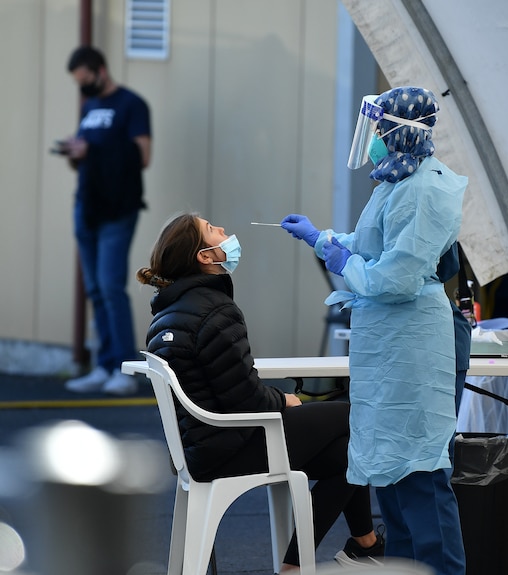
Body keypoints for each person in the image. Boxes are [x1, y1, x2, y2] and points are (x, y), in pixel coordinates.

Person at [281, 86, 467, 575]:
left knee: (420, 474)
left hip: (410, 344)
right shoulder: (396, 183)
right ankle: (406, 568)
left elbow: (398, 277)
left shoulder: (426, 190)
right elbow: (371, 245)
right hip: (388, 346)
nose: (375, 138)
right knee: (390, 473)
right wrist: (324, 240)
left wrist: (344, 262)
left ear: (401, 131)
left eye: (380, 128)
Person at [135, 213, 383, 572]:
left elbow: (226, 389)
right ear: (205, 256)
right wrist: (285, 400)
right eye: (212, 229)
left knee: (345, 451)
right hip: (230, 446)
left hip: (201, 446)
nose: (223, 230)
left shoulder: (167, 314)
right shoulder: (214, 309)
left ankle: (359, 548)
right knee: (354, 416)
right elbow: (245, 401)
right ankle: (314, 560)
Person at [60, 45, 151, 396]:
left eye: (86, 81)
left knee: (111, 287)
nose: (84, 89)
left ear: (100, 70)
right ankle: (104, 363)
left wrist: (92, 150)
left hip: (118, 208)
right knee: (95, 289)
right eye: (78, 84)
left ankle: (124, 368)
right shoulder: (89, 107)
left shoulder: (132, 105)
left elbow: (142, 156)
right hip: (87, 206)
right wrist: (74, 151)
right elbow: (86, 156)